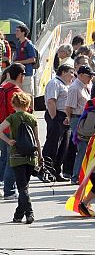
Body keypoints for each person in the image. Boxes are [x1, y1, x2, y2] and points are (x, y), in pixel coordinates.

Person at [0, 92, 42, 224]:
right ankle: (18, 215)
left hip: (16, 156)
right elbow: (37, 139)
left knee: (22, 187)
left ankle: (29, 213)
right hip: (31, 156)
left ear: (13, 104)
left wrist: (8, 140)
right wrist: (40, 156)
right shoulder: (32, 118)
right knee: (24, 186)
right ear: (27, 104)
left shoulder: (12, 118)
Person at [42, 64, 74, 181]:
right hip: (56, 116)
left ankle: (56, 171)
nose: (72, 75)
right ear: (64, 72)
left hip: (65, 117)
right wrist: (54, 119)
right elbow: (51, 101)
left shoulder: (65, 85)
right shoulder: (54, 83)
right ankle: (46, 170)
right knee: (53, 144)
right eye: (71, 72)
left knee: (63, 146)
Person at [66, 66, 94, 184]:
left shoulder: (85, 86)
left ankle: (81, 175)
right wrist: (70, 120)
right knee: (82, 148)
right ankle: (76, 176)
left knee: (86, 148)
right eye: (89, 75)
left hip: (84, 120)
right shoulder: (75, 88)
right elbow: (68, 107)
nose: (91, 78)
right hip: (77, 119)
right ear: (81, 75)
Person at [1, 64, 25, 198]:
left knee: (4, 158)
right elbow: (20, 112)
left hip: (1, 127)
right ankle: (9, 190)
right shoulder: (16, 91)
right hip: (12, 129)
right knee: (12, 159)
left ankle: (3, 185)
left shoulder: (2, 87)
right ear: (20, 75)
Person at [12, 25, 37, 95]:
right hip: (19, 74)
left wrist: (19, 62)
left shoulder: (28, 44)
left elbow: (33, 59)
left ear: (23, 33)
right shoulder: (19, 43)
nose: (15, 33)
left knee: (28, 94)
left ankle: (31, 106)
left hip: (27, 73)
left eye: (17, 31)